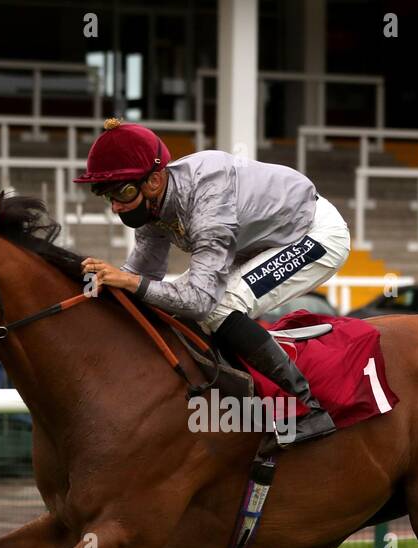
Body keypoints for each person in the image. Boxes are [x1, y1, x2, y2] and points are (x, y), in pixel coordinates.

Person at [75, 118, 349, 447]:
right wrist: (97, 289)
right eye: (108, 195)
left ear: (155, 179)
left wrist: (129, 282)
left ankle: (310, 409)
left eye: (123, 191)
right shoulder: (153, 206)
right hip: (259, 239)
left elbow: (198, 301)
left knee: (220, 307)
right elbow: (144, 273)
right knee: (181, 307)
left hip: (314, 233)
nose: (117, 204)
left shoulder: (209, 201)